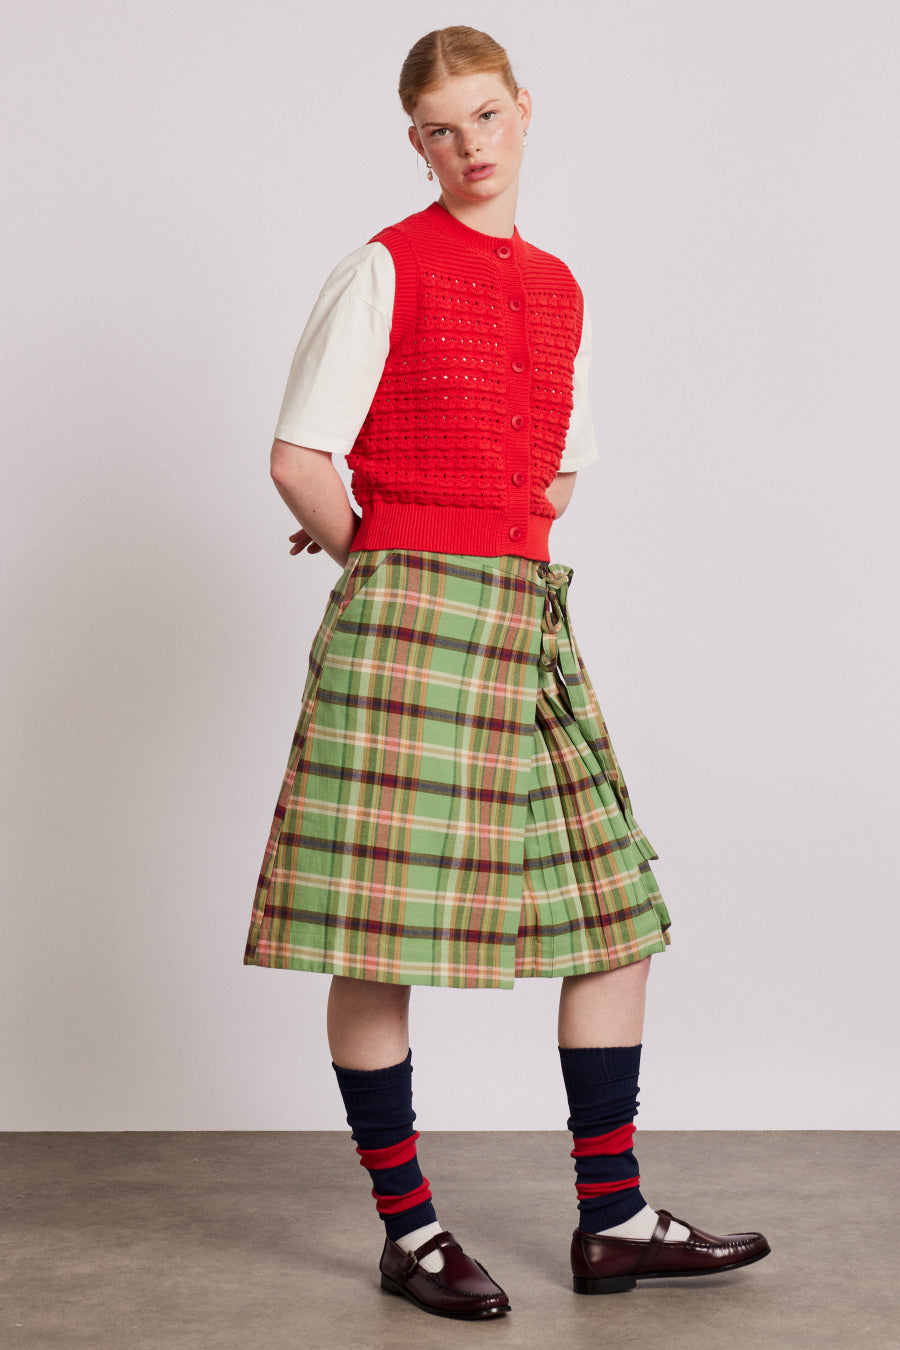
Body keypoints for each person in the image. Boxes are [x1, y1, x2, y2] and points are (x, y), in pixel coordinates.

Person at [244, 25, 770, 1321]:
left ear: (524, 111)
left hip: (526, 612)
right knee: (376, 936)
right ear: (415, 143)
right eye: (442, 128)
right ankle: (410, 1230)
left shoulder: (560, 287)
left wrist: (432, 505)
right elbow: (298, 458)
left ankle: (615, 1219)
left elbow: (553, 480)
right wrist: (386, 549)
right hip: (409, 620)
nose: (469, 146)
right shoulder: (383, 266)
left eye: (486, 116)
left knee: (616, 916)